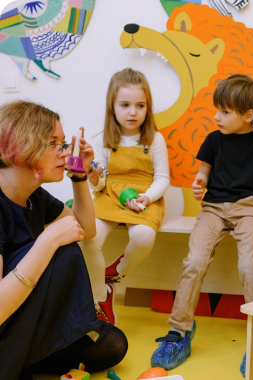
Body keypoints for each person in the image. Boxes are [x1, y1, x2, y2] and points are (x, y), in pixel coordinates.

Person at [150, 73, 253, 369]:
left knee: (249, 267)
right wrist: (198, 183)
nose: (216, 116)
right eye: (217, 109)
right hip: (213, 208)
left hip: (249, 208)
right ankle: (179, 330)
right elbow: (203, 173)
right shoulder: (214, 140)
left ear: (249, 116)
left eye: (225, 112)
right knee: (194, 261)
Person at [0, 101, 128, 380]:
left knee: (112, 344)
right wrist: (47, 242)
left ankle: (24, 359)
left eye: (63, 143)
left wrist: (79, 176)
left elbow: (85, 229)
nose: (64, 151)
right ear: (24, 145)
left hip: (26, 319)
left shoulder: (34, 196)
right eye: (54, 143)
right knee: (61, 249)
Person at [79, 68, 170, 326]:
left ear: (147, 108)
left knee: (143, 236)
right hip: (110, 194)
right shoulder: (103, 140)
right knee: (89, 238)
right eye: (125, 105)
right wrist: (95, 179)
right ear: (113, 107)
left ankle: (115, 274)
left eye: (140, 105)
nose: (133, 112)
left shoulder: (155, 140)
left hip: (144, 196)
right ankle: (100, 296)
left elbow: (163, 178)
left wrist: (148, 197)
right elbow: (100, 184)